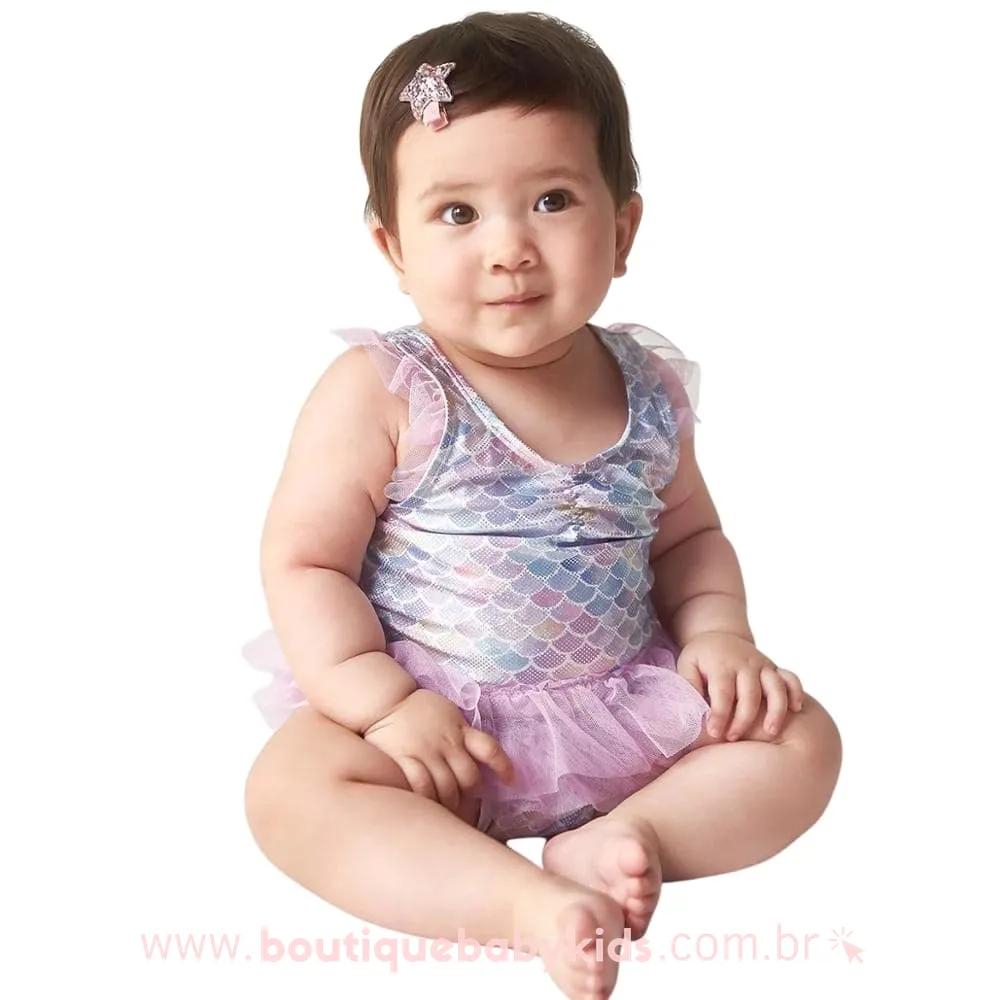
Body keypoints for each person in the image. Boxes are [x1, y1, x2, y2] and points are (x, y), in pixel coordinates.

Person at [241, 12, 842, 998]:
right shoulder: (386, 390)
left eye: (552, 200)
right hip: (439, 730)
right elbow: (306, 562)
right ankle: (524, 906)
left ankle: (627, 837)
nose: (510, 248)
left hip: (627, 711)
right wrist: (381, 704)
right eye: (457, 213)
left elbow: (688, 538)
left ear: (623, 229)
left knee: (800, 737)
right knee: (289, 790)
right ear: (392, 245)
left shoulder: (646, 385)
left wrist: (720, 637)